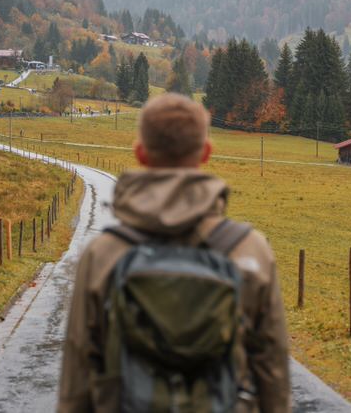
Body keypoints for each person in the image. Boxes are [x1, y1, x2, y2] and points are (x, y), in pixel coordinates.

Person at [59, 93, 290, 413]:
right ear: (206, 152)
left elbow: (77, 380)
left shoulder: (103, 254)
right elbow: (273, 373)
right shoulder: (250, 250)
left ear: (140, 152)